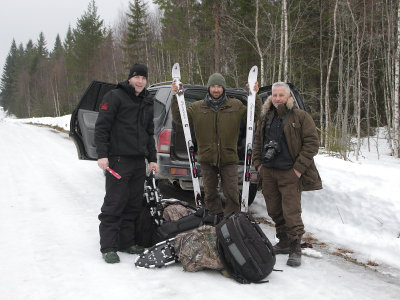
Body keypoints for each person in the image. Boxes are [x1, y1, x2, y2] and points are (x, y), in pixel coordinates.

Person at [171, 73, 261, 218]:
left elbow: (253, 116)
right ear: (209, 88)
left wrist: (255, 96)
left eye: (219, 86)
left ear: (223, 88)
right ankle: (215, 217)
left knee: (231, 192)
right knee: (210, 192)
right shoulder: (197, 107)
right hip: (207, 158)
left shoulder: (236, 105)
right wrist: (176, 98)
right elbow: (179, 118)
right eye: (213, 86)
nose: (216, 89)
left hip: (229, 157)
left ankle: (232, 219)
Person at [252, 82, 322, 267]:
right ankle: (282, 241)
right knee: (274, 209)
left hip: (290, 173)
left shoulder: (300, 117)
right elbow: (258, 142)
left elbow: (312, 144)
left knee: (291, 212)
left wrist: (298, 169)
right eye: (274, 95)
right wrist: (258, 165)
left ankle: (295, 248)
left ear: (289, 96)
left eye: (281, 95)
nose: (277, 99)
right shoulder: (266, 117)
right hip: (268, 172)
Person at [95, 63, 159, 264]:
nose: (140, 81)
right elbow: (102, 127)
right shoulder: (115, 96)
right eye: (136, 77)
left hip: (138, 161)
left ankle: (126, 242)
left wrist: (153, 158)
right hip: (118, 159)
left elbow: (150, 133)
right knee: (115, 203)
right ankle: (109, 247)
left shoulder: (147, 101)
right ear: (130, 78)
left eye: (143, 78)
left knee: (132, 204)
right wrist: (102, 155)